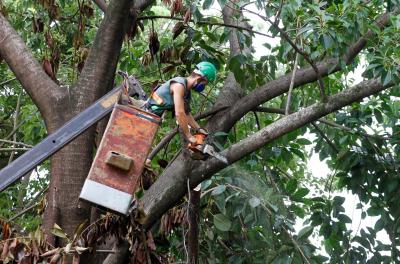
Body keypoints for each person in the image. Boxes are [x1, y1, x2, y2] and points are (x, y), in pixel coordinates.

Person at [144, 61, 217, 143]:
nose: (203, 86)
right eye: (204, 84)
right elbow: (179, 113)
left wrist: (199, 129)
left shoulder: (186, 91)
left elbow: (187, 114)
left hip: (153, 118)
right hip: (145, 115)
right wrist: (189, 136)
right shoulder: (179, 85)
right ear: (199, 79)